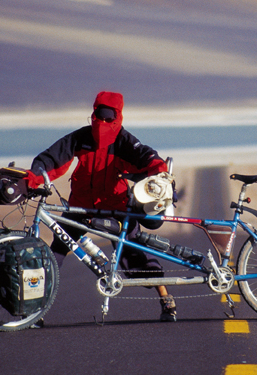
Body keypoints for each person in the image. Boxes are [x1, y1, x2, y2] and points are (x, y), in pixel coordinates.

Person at [27, 91, 177, 322]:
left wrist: (160, 172)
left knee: (134, 251)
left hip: (116, 207)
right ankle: (35, 310)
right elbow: (52, 159)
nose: (103, 123)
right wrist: (33, 177)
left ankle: (165, 297)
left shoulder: (124, 141)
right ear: (93, 113)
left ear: (118, 117)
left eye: (109, 118)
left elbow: (148, 158)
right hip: (81, 207)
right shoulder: (80, 138)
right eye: (100, 116)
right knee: (56, 251)